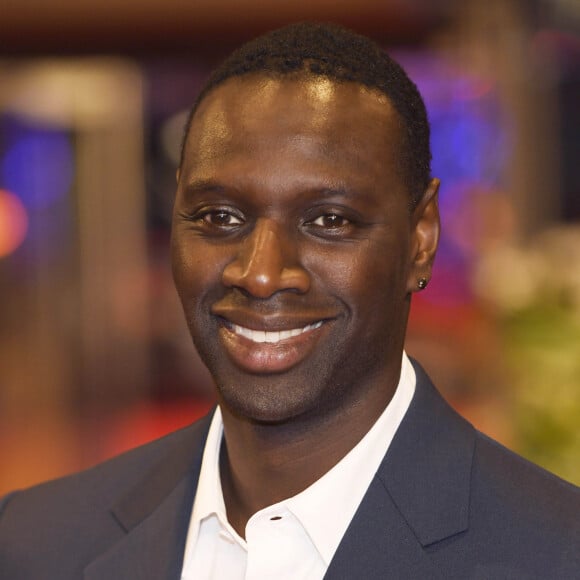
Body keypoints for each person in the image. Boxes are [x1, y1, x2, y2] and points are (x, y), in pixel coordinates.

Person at [0, 22, 578, 580]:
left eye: (329, 220)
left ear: (420, 240)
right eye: (219, 216)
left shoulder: (555, 554)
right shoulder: (34, 542)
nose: (260, 273)